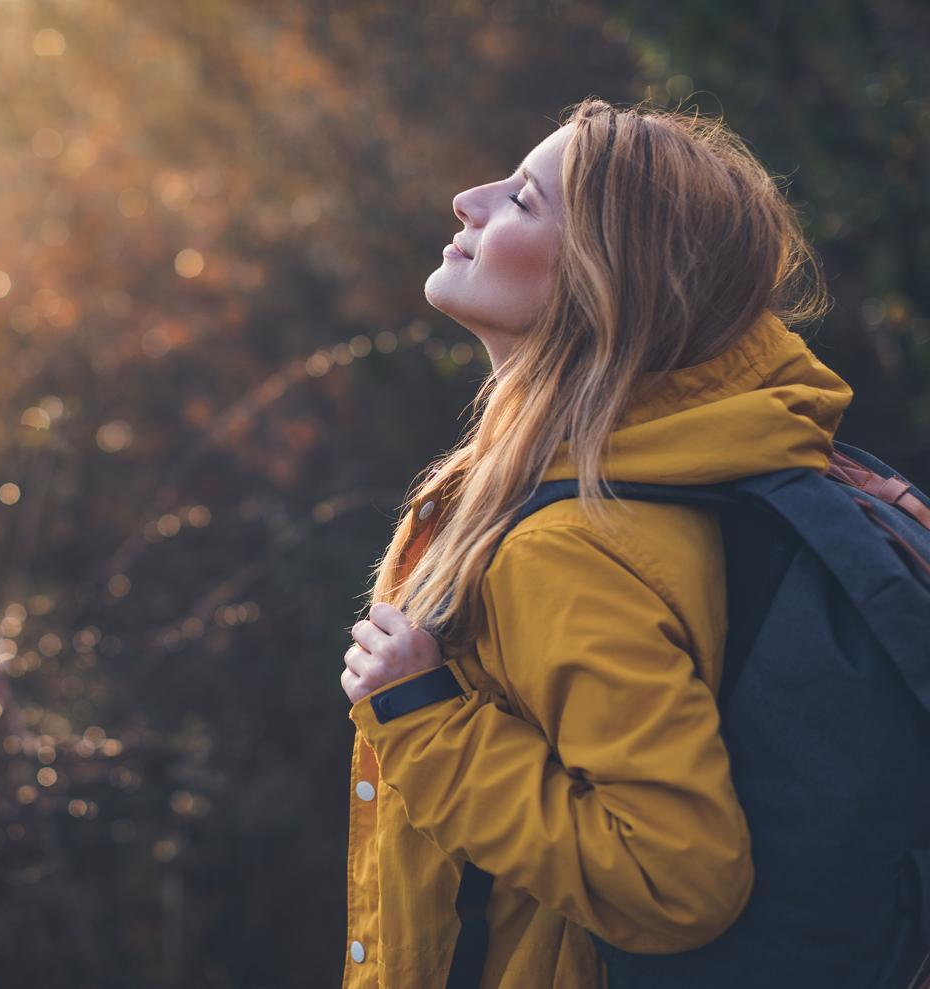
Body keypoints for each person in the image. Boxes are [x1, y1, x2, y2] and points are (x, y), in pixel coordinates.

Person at [338, 96, 854, 988]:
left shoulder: (567, 546)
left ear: (602, 282)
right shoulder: (688, 465)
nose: (469, 197)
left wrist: (426, 722)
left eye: (525, 201)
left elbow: (679, 877)